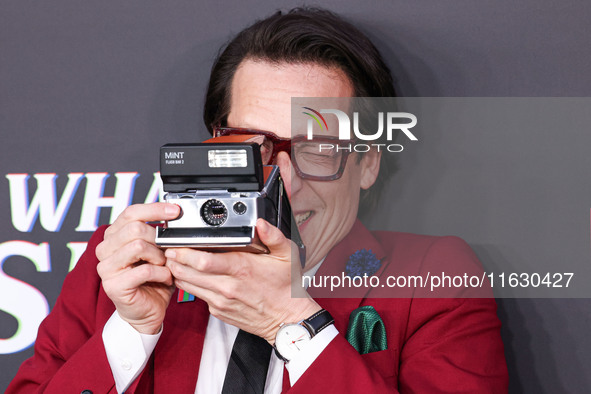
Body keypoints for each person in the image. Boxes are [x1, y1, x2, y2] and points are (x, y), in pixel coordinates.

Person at [8, 7, 508, 393]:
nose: (283, 182)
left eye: (317, 149)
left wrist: (293, 324)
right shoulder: (128, 261)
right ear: (213, 145)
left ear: (368, 162)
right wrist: (130, 333)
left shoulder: (430, 279)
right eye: (255, 146)